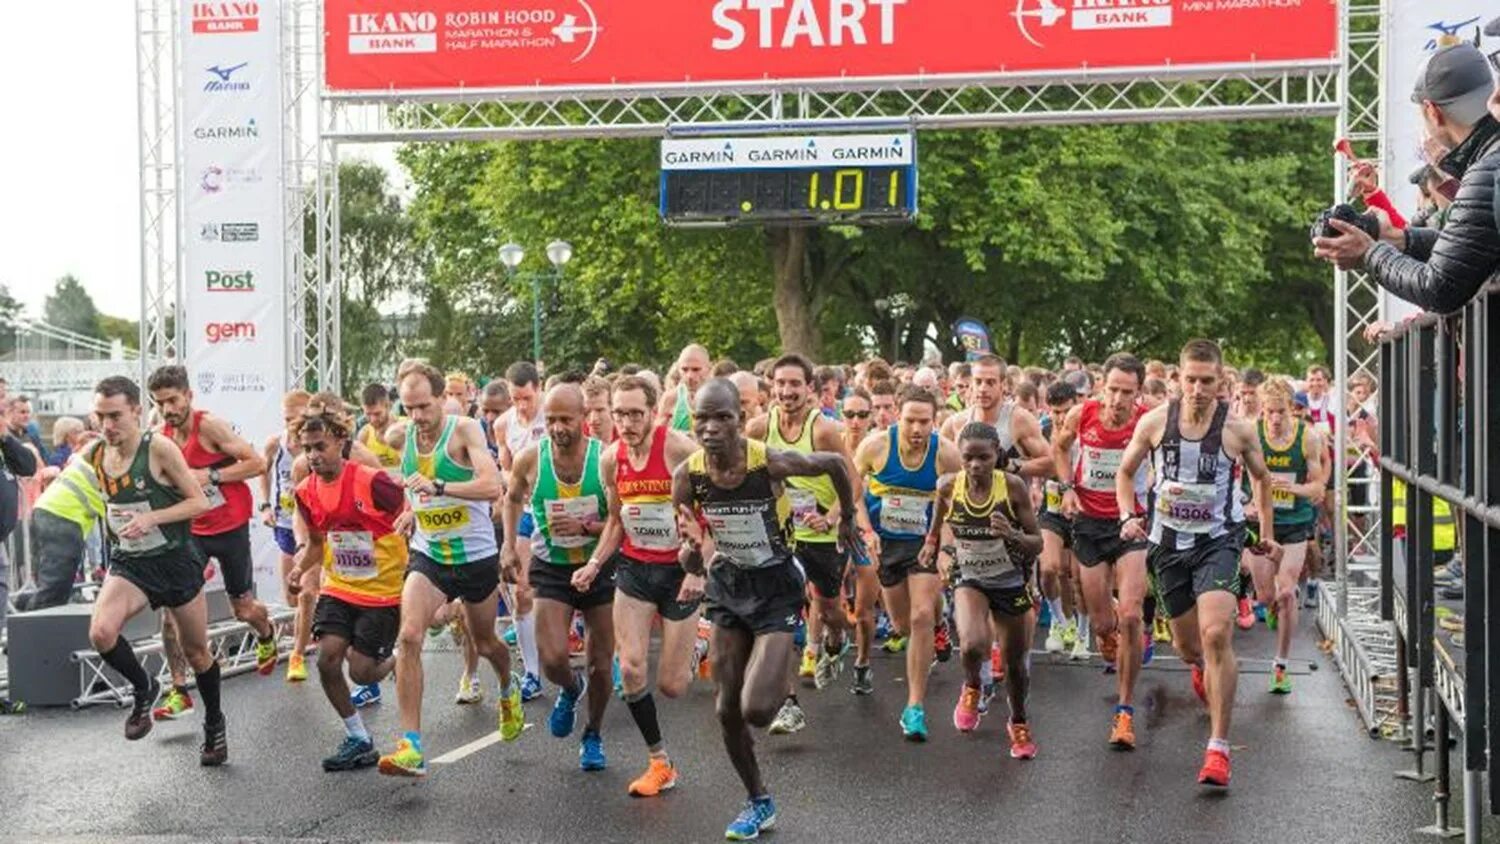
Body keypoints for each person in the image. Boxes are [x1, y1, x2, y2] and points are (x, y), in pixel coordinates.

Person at [672, 378, 857, 841]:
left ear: (740, 419)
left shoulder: (768, 462)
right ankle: (758, 801)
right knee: (725, 710)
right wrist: (692, 554)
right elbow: (689, 554)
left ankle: (794, 653)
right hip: (729, 586)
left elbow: (834, 463)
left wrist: (848, 519)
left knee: (756, 709)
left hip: (777, 589)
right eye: (702, 418)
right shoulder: (688, 476)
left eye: (723, 418)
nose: (711, 428)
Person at [1116, 339, 1282, 788]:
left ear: (1221, 382)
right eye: (1190, 379)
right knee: (1190, 647)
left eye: (1207, 381)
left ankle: (1218, 749)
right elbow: (1125, 471)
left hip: (1218, 541)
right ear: (1177, 378)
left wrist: (1265, 534)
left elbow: (1263, 480)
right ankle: (1198, 666)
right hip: (1167, 546)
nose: (1197, 388)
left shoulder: (1238, 430)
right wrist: (1129, 515)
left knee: (1216, 633)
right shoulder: (1154, 423)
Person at [379, 361, 521, 778]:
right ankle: (411, 744)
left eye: (424, 406)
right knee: (408, 636)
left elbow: (493, 486)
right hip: (431, 555)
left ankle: (507, 687)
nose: (417, 417)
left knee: (488, 642)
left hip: (475, 557)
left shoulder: (465, 430)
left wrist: (440, 487)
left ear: (443, 399)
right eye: (409, 408)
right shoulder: (403, 437)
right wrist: (410, 511)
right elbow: (414, 488)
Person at [84, 376, 225, 763]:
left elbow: (199, 503)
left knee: (196, 653)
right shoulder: (95, 454)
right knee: (101, 631)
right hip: (130, 561)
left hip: (175, 561)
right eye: (100, 416)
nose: (107, 425)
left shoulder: (159, 449)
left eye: (115, 416)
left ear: (136, 411)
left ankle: (214, 724)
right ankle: (143, 686)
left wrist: (153, 518)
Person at [281, 394, 417, 771]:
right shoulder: (306, 491)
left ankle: (394, 661)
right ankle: (358, 736)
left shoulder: (371, 481)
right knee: (326, 660)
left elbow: (410, 507)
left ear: (342, 441)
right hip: (340, 586)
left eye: (320, 447)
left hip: (382, 590)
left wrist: (412, 529)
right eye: (307, 449)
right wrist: (299, 568)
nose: (313, 456)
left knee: (361, 671)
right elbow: (317, 543)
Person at [1314, 43, 1500, 313]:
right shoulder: (1488, 159)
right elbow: (1469, 251)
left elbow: (1438, 287)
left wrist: (1368, 253)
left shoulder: (1486, 170)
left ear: (1432, 112)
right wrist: (1402, 238)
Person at [590, 375, 701, 796]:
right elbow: (617, 521)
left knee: (673, 686)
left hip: (679, 571)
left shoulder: (680, 451)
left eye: (637, 413)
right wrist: (595, 563)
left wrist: (697, 569)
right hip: (635, 569)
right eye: (620, 413)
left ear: (653, 412)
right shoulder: (609, 459)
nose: (628, 422)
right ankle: (660, 762)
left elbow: (709, 514)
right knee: (632, 668)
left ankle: (700, 638)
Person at [149, 365, 275, 724]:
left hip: (231, 526)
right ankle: (178, 689)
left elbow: (257, 463)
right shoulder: (161, 437)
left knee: (245, 610)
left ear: (189, 395)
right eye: (160, 403)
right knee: (173, 610)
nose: (168, 410)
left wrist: (211, 475)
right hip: (192, 531)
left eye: (173, 400)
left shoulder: (210, 427)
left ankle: (266, 633)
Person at [503, 383, 614, 772]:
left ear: (584, 417)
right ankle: (570, 687)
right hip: (552, 565)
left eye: (565, 419)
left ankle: (593, 734)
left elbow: (620, 521)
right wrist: (507, 546)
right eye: (550, 419)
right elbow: (512, 498)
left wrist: (588, 527)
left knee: (601, 663)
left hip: (601, 566)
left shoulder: (605, 460)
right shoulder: (530, 459)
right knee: (551, 658)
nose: (557, 427)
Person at [748, 354, 862, 730]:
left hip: (823, 535)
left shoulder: (824, 430)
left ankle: (835, 638)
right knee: (780, 616)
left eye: (795, 384)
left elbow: (854, 482)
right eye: (780, 384)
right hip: (781, 538)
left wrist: (832, 516)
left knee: (829, 610)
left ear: (810, 389)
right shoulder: (760, 428)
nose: (786, 391)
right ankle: (789, 703)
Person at [1050, 353, 1152, 749]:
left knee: (1129, 615)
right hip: (1090, 524)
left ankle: (1124, 713)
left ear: (1138, 393)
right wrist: (1067, 488)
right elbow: (1060, 449)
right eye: (1112, 389)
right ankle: (1109, 636)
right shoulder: (1082, 414)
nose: (1117, 399)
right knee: (1101, 621)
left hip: (1131, 523)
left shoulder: (1147, 421)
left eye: (1127, 392)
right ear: (1100, 387)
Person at [928, 422, 1044, 758]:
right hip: (971, 577)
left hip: (1010, 581)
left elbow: (1036, 544)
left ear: (997, 456)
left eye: (984, 457)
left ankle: (1018, 722)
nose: (976, 465)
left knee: (1015, 666)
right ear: (960, 458)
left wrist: (1011, 534)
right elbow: (938, 521)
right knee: (972, 644)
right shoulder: (949, 486)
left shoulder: (1012, 488)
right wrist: (934, 547)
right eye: (968, 458)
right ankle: (972, 686)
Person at [854, 385, 963, 740]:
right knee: (901, 626)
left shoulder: (946, 454)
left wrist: (940, 544)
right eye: (911, 421)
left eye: (925, 422)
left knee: (919, 618)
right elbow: (852, 493)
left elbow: (953, 507)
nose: (918, 429)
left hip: (923, 544)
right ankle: (939, 618)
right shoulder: (875, 446)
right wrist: (867, 532)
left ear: (936, 421)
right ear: (897, 417)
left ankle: (914, 707)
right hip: (887, 546)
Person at [1246, 378, 1327, 694]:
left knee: (1287, 592)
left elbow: (1319, 486)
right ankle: (1266, 607)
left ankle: (1280, 666)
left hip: (1294, 523)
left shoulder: (1308, 437)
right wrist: (1251, 501)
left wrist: (1292, 488)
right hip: (1262, 524)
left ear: (1292, 409)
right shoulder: (1251, 433)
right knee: (1266, 597)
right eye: (1269, 412)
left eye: (1280, 412)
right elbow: (1237, 476)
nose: (1275, 419)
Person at [495, 361, 548, 702]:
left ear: (538, 388)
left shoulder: (554, 415)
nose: (522, 406)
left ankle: (605, 660)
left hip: (560, 510)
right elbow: (503, 468)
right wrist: (515, 484)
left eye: (527, 398)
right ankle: (532, 673)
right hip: (527, 512)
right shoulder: (503, 424)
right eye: (515, 399)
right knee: (522, 591)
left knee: (583, 594)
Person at [262, 390, 316, 683]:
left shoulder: (317, 446)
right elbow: (263, 470)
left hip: (315, 527)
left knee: (308, 592)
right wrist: (265, 504)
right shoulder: (276, 443)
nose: (291, 424)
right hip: (286, 524)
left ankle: (297, 653)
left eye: (295, 418)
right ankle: (305, 634)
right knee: (292, 594)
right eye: (286, 418)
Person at [1037, 380, 1083, 657]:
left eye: (1065, 410)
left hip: (1081, 510)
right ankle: (1059, 621)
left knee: (1074, 576)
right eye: (1054, 412)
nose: (1060, 417)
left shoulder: (1087, 430)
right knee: (1049, 569)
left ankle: (1081, 630)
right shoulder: (1041, 431)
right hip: (1051, 510)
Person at [659, 344, 712, 432]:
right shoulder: (671, 398)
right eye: (685, 369)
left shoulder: (720, 397)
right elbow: (657, 437)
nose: (689, 376)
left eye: (696, 369)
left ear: (708, 369)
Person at [357, 383, 404, 477]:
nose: (373, 419)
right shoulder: (364, 435)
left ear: (389, 406)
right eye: (368, 414)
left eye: (377, 414)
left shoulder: (405, 427)